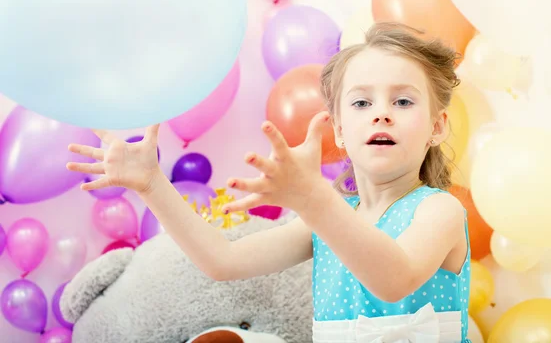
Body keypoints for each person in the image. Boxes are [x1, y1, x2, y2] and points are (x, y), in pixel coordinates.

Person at [66, 22, 471, 342]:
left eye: (403, 101)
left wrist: (315, 201)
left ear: (437, 127)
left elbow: (394, 280)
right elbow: (222, 262)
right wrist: (151, 183)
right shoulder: (327, 220)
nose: (382, 114)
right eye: (362, 102)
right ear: (342, 130)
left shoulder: (439, 210)